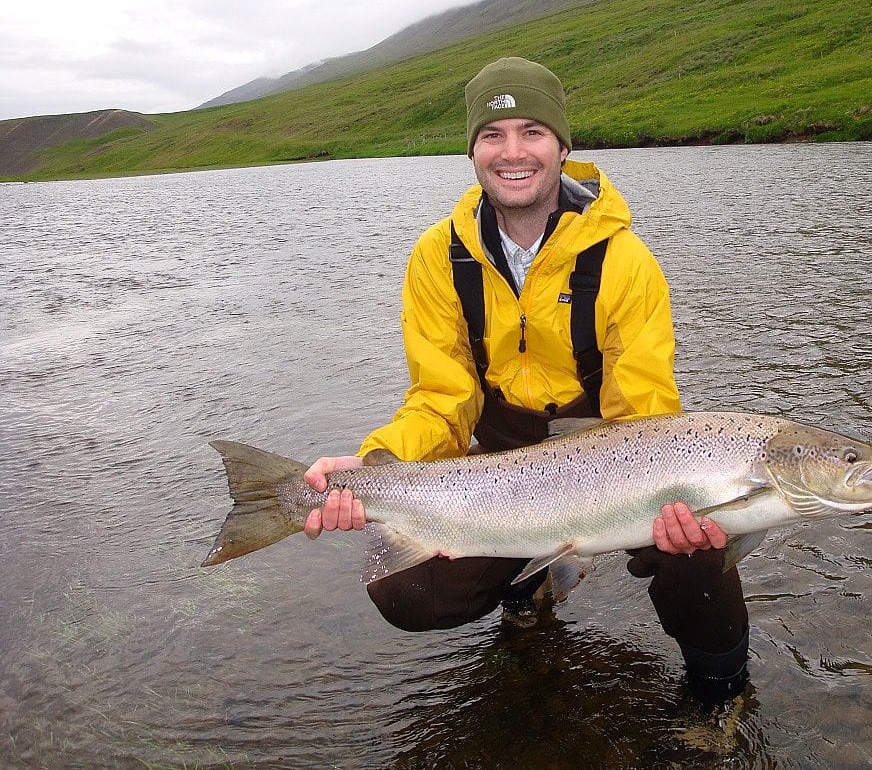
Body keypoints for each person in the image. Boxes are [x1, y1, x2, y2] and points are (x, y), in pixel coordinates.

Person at [303, 57, 749, 702]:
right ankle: (529, 575)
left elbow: (648, 411)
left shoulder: (625, 260)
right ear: (473, 152)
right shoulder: (438, 257)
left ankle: (722, 694)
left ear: (563, 147)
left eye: (533, 132)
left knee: (701, 543)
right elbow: (441, 399)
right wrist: (376, 464)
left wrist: (663, 494)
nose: (513, 153)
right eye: (493, 135)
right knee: (408, 592)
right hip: (507, 462)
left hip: (617, 456)